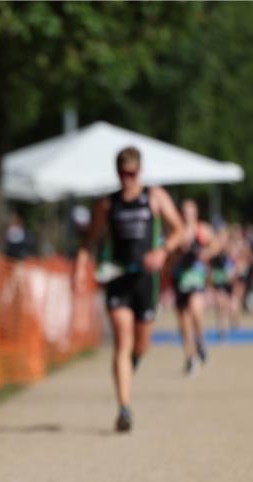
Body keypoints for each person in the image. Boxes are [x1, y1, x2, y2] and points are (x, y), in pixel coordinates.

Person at [73, 146, 183, 432]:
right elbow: (90, 240)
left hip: (147, 281)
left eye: (132, 174)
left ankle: (130, 368)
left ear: (140, 172)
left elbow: (180, 230)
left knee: (141, 345)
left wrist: (162, 251)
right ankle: (124, 408)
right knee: (122, 340)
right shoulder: (108, 204)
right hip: (118, 277)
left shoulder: (155, 197)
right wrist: (79, 267)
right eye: (123, 174)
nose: (127, 180)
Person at [170, 199, 214, 375]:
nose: (187, 215)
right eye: (184, 212)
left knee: (196, 312)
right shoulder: (176, 231)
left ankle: (201, 341)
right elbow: (168, 255)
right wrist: (178, 251)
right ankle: (190, 357)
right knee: (183, 322)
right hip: (179, 280)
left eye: (190, 212)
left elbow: (216, 244)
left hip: (196, 279)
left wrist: (206, 253)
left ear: (195, 213)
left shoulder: (203, 229)